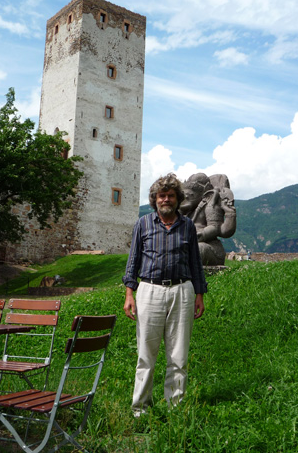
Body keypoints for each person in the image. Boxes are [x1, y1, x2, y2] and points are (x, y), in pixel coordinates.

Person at [123, 173, 207, 417]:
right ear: (155, 199)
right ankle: (140, 409)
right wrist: (130, 293)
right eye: (162, 196)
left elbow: (195, 263)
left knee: (178, 356)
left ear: (177, 199)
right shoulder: (143, 224)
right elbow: (133, 261)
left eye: (171, 195)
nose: (166, 199)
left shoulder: (188, 226)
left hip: (183, 290)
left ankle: (176, 409)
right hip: (149, 290)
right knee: (145, 356)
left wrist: (199, 294)